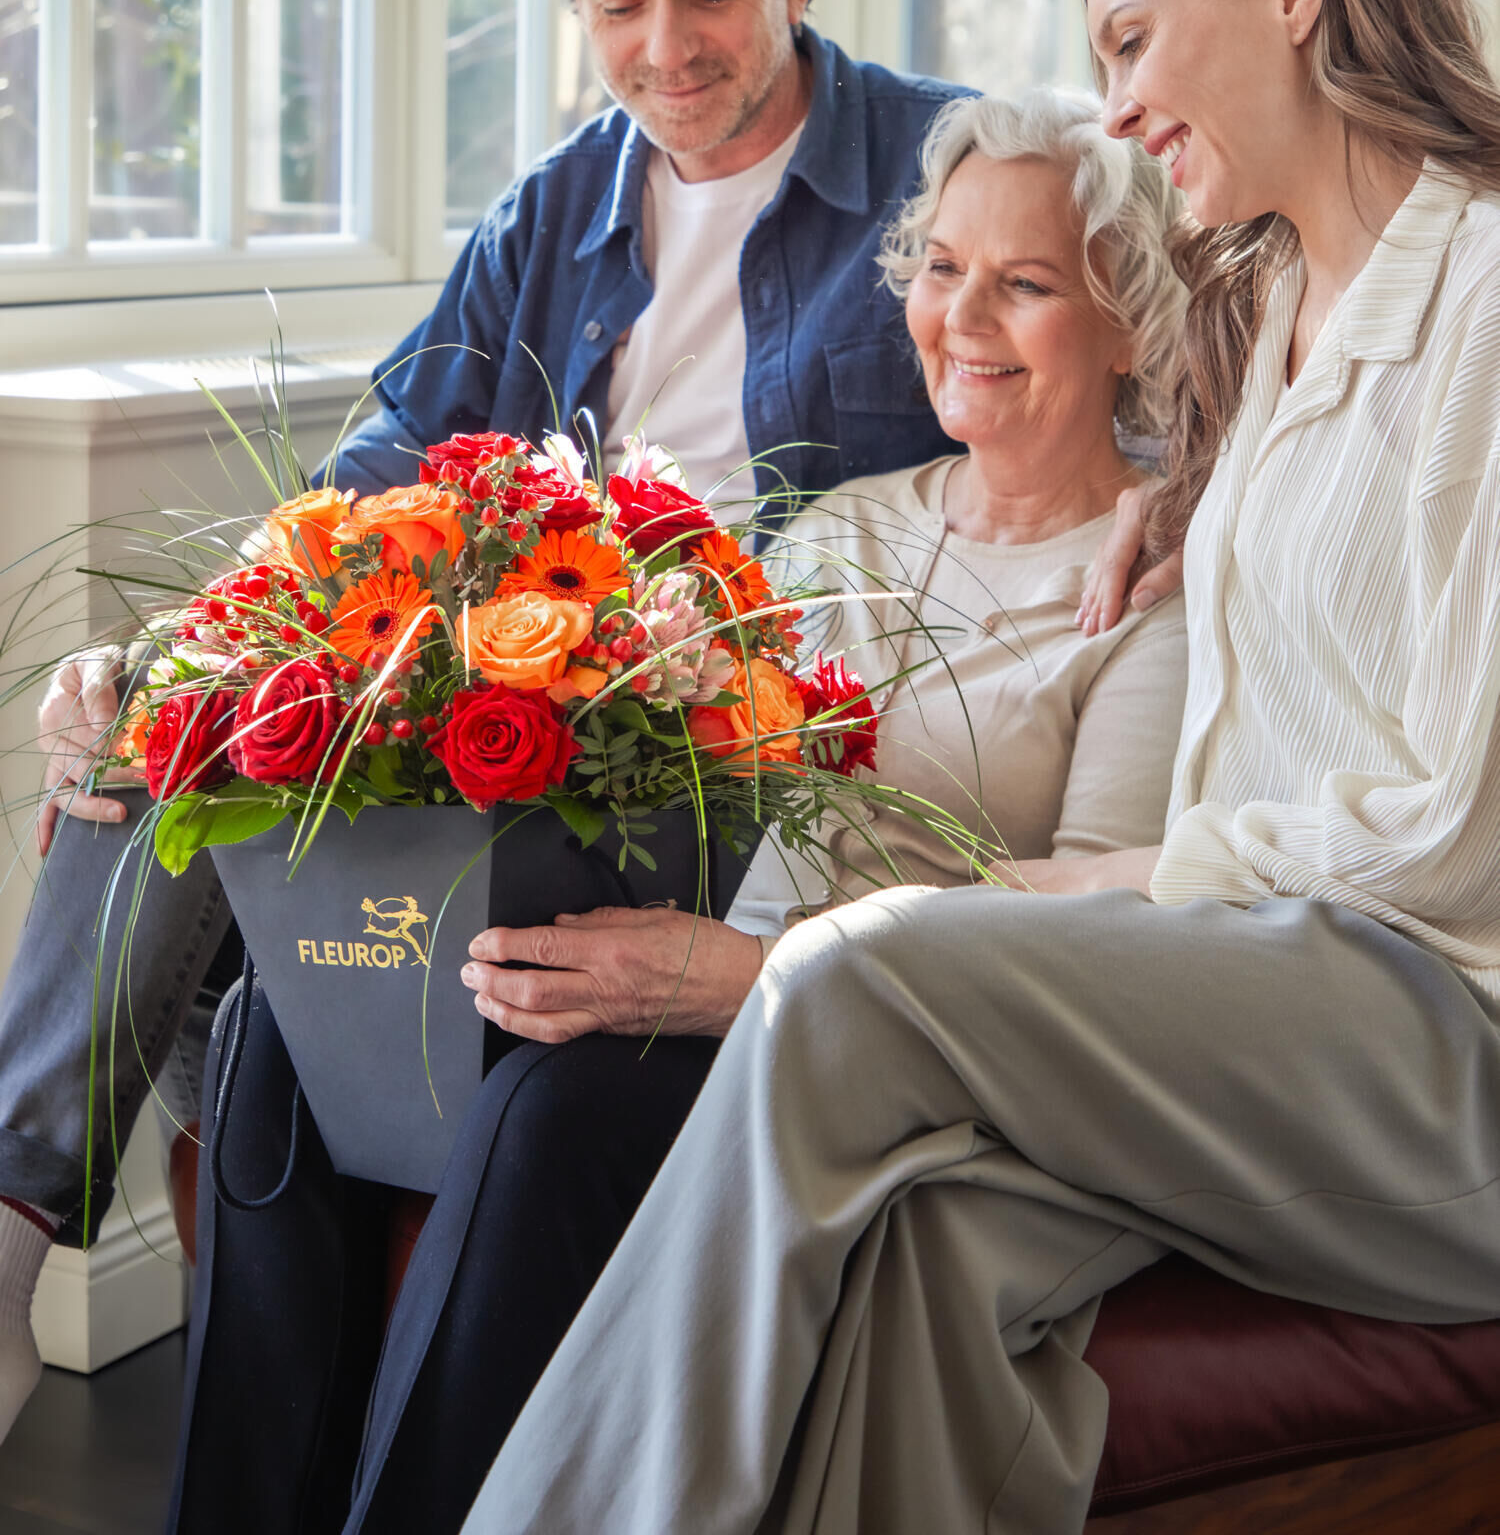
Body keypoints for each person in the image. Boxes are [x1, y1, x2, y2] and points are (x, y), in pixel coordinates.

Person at [452, 0, 1500, 1535]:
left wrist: (1132, 873)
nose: (1121, 100)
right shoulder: (1276, 306)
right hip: (1260, 995)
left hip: (1433, 1034)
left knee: (843, 978)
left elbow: (1450, 829)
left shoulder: (1478, 289)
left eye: (1135, 38)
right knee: (928, 1235)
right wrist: (1200, 506)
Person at [0, 0, 982, 1443]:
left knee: (267, 991)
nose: (666, 42)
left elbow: (1105, 383)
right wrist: (171, 659)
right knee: (185, 715)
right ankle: (15, 1225)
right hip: (523, 706)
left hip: (741, 742)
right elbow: (367, 485)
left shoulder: (935, 168)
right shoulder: (557, 205)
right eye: (619, 0)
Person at [165, 85, 1190, 1534]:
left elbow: (1095, 927)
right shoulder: (847, 524)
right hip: (698, 953)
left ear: (1132, 322)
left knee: (563, 1101)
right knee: (283, 1029)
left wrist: (758, 980)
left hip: (880, 1043)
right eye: (943, 268)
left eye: (1023, 285)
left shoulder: (1154, 596)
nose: (961, 317)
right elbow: (705, 784)